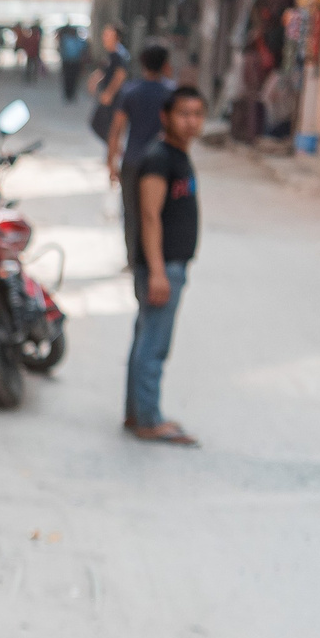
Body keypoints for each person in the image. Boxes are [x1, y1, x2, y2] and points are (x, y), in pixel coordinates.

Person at [128, 86, 206, 445]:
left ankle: (137, 413)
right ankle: (148, 419)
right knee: (154, 345)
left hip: (169, 265)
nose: (191, 122)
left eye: (197, 114)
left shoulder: (178, 156)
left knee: (146, 338)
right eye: (183, 114)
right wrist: (158, 271)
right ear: (166, 117)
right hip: (162, 267)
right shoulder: (159, 159)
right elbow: (149, 215)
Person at [107, 42, 177, 275]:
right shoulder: (171, 93)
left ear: (142, 64)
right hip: (163, 162)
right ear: (166, 65)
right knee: (160, 211)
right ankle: (155, 258)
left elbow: (116, 129)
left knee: (131, 211)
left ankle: (133, 260)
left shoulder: (131, 91)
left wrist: (111, 163)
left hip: (133, 160)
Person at [56, 21, 88, 102]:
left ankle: (72, 94)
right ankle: (67, 94)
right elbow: (60, 47)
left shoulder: (79, 41)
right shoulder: (66, 39)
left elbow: (84, 51)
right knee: (67, 78)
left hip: (76, 62)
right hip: (67, 62)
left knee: (74, 79)